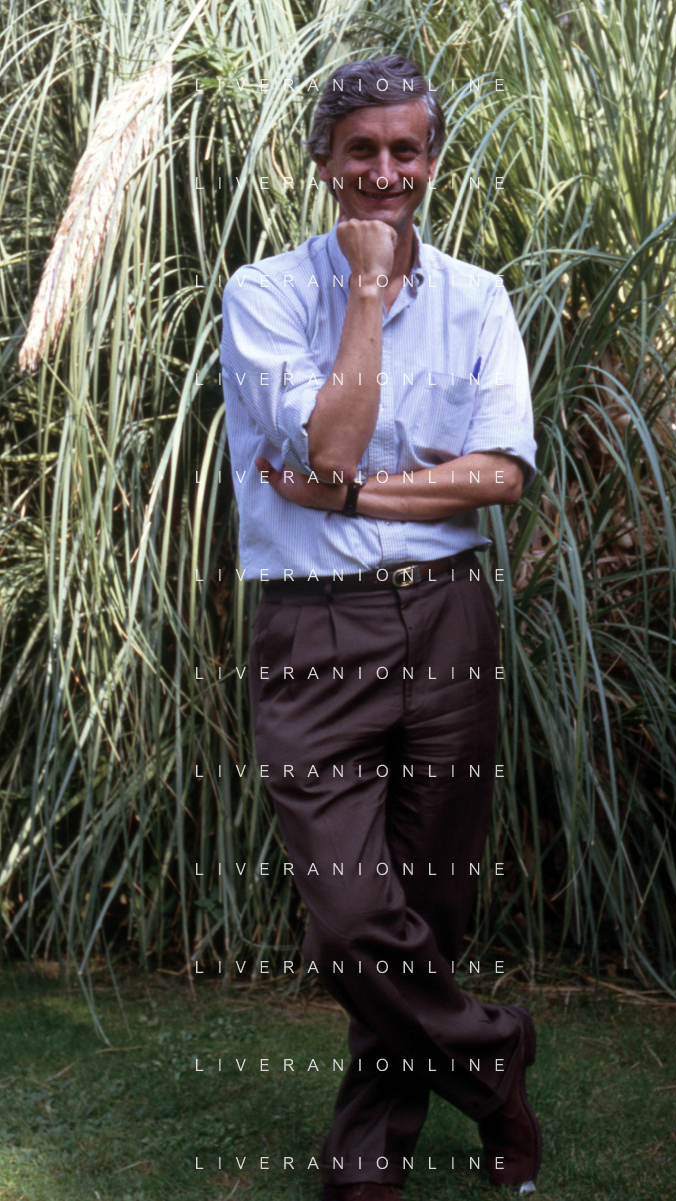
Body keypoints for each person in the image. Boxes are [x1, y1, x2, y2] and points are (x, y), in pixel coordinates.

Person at [221, 53, 541, 1201]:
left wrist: (355, 496)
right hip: (313, 635)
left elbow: (499, 477)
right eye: (362, 149)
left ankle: (369, 1153)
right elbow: (331, 440)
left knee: (427, 906)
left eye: (407, 149)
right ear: (324, 163)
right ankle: (495, 1059)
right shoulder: (264, 294)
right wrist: (366, 291)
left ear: (432, 159)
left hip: (449, 621)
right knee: (355, 916)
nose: (386, 170)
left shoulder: (479, 299)